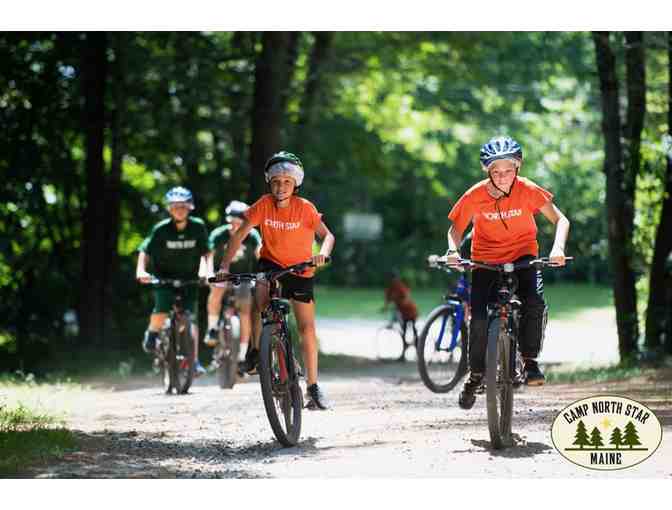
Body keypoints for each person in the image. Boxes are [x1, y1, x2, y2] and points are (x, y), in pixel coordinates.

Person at [444, 136, 570, 410]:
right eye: (496, 171)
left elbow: (560, 219)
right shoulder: (475, 195)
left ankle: (530, 361)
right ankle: (476, 374)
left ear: (517, 169)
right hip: (485, 260)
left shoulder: (528, 190)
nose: (502, 176)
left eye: (508, 170)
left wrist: (558, 248)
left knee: (533, 302)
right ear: (488, 171)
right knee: (478, 318)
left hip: (524, 256)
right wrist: (453, 250)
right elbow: (455, 230)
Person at [217, 151, 335, 410]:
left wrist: (323, 254)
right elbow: (239, 235)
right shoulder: (263, 205)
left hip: (301, 269)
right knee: (259, 300)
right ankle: (258, 351)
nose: (281, 187)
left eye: (287, 182)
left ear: (295, 184)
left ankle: (313, 387)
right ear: (269, 182)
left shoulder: (305, 208)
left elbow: (328, 236)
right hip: (270, 265)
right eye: (276, 181)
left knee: (307, 328)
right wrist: (224, 265)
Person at [136, 186, 210, 376]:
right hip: (164, 278)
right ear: (170, 208)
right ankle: (153, 332)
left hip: (190, 279)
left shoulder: (198, 226)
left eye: (183, 206)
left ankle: (194, 361)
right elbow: (145, 251)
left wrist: (206, 271)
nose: (179, 210)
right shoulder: (160, 229)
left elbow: (206, 252)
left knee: (190, 320)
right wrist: (141, 271)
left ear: (190, 207)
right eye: (175, 206)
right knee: (161, 309)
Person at [204, 200, 262, 364]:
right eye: (233, 221)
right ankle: (212, 328)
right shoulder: (219, 235)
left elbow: (260, 254)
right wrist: (208, 274)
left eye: (240, 222)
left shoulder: (252, 235)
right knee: (216, 290)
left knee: (245, 309)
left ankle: (242, 354)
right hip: (222, 275)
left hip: (243, 277)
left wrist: (266, 271)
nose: (236, 225)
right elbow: (208, 257)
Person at [382, 270, 419, 361]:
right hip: (403, 313)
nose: (393, 280)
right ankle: (404, 353)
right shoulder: (390, 288)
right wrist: (385, 308)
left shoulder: (400, 286)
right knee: (404, 332)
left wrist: (402, 302)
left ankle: (418, 351)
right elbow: (387, 300)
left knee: (413, 330)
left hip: (410, 311)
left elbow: (406, 296)